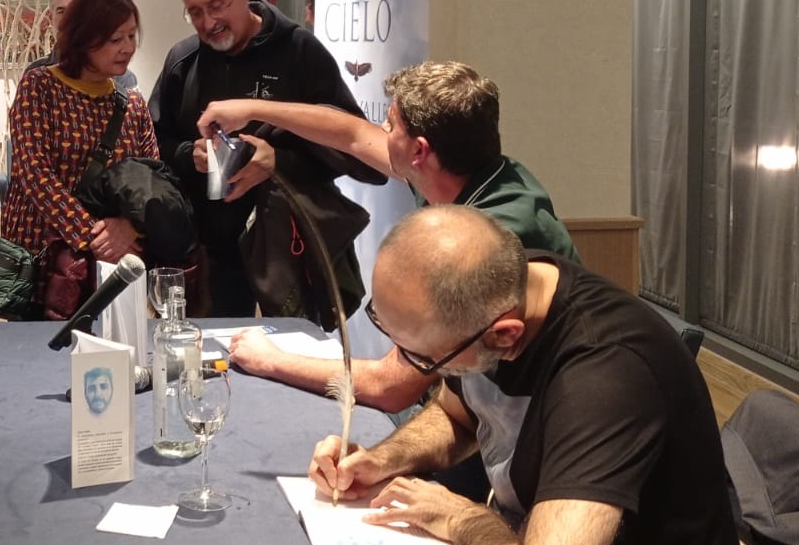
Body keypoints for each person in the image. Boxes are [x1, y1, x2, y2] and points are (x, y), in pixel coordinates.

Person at [309, 206, 748, 545]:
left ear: (505, 334)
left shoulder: (603, 378)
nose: (410, 365)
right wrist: (382, 460)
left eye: (425, 359)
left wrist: (459, 517)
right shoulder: (498, 286)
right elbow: (456, 416)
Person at [199, 61, 576, 411]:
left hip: (533, 413)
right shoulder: (459, 173)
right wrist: (250, 109)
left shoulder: (480, 242)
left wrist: (269, 359)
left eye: (391, 125)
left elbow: (390, 386)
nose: (381, 130)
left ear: (419, 150)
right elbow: (350, 133)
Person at [151, 0, 379, 316]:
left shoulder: (300, 50)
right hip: (214, 249)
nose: (208, 22)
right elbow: (155, 143)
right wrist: (188, 154)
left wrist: (280, 162)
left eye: (216, 5)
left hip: (291, 244)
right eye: (195, 12)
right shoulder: (184, 60)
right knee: (216, 358)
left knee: (297, 359)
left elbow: (352, 148)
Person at [2, 0, 157, 269]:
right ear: (84, 38)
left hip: (114, 261)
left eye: (132, 36)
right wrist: (93, 235)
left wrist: (130, 227)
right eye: (115, 39)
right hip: (44, 256)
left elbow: (151, 179)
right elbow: (34, 172)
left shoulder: (133, 104)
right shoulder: (39, 86)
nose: (128, 48)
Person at [25, 0, 136, 92]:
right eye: (62, 11)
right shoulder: (36, 78)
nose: (70, 19)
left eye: (78, 12)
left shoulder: (122, 79)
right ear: (50, 16)